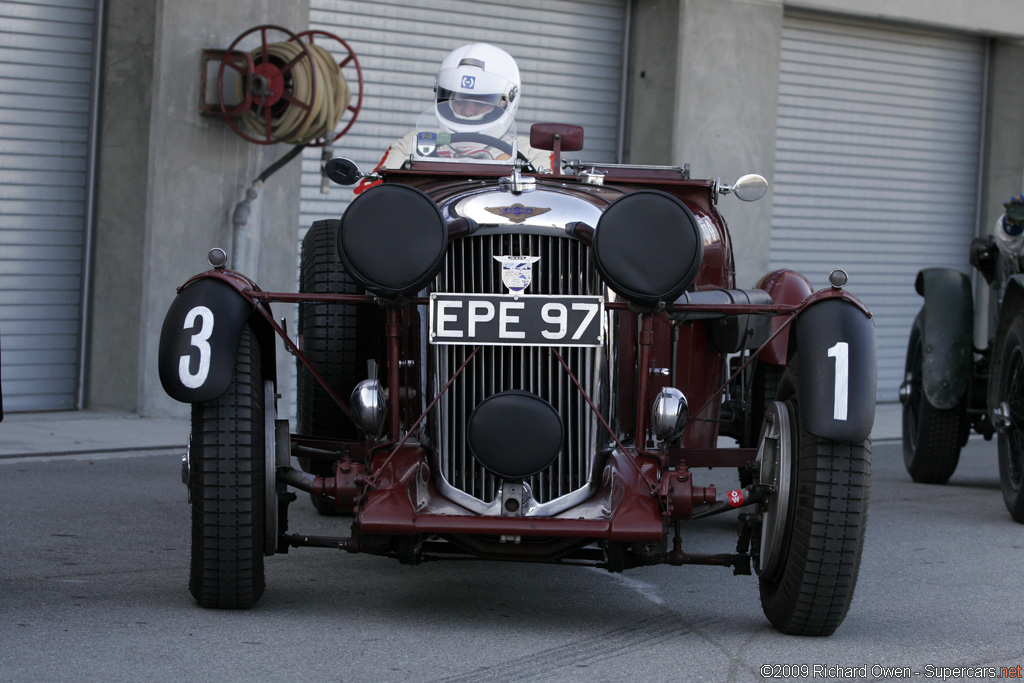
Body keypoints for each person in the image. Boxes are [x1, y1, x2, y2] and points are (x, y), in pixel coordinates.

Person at [355, 43, 552, 194]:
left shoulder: (533, 153)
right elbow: (366, 196)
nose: (468, 109)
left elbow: (550, 203)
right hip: (427, 239)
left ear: (508, 100)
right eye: (460, 100)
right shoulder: (413, 144)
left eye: (480, 101)